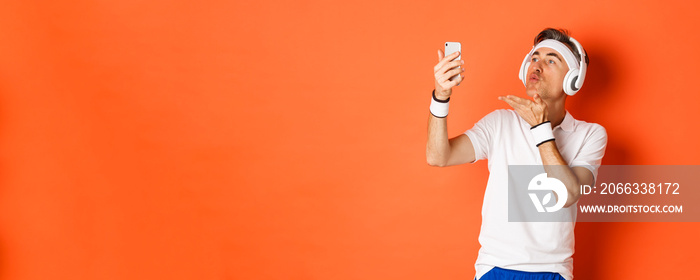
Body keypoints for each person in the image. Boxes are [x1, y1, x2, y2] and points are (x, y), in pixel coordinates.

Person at [425, 28, 607, 280]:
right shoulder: (500, 122)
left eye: (551, 60)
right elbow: (438, 156)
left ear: (573, 79)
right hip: (495, 268)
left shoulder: (590, 134)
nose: (537, 66)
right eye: (534, 58)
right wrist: (440, 97)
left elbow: (566, 194)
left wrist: (541, 130)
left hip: (553, 271)